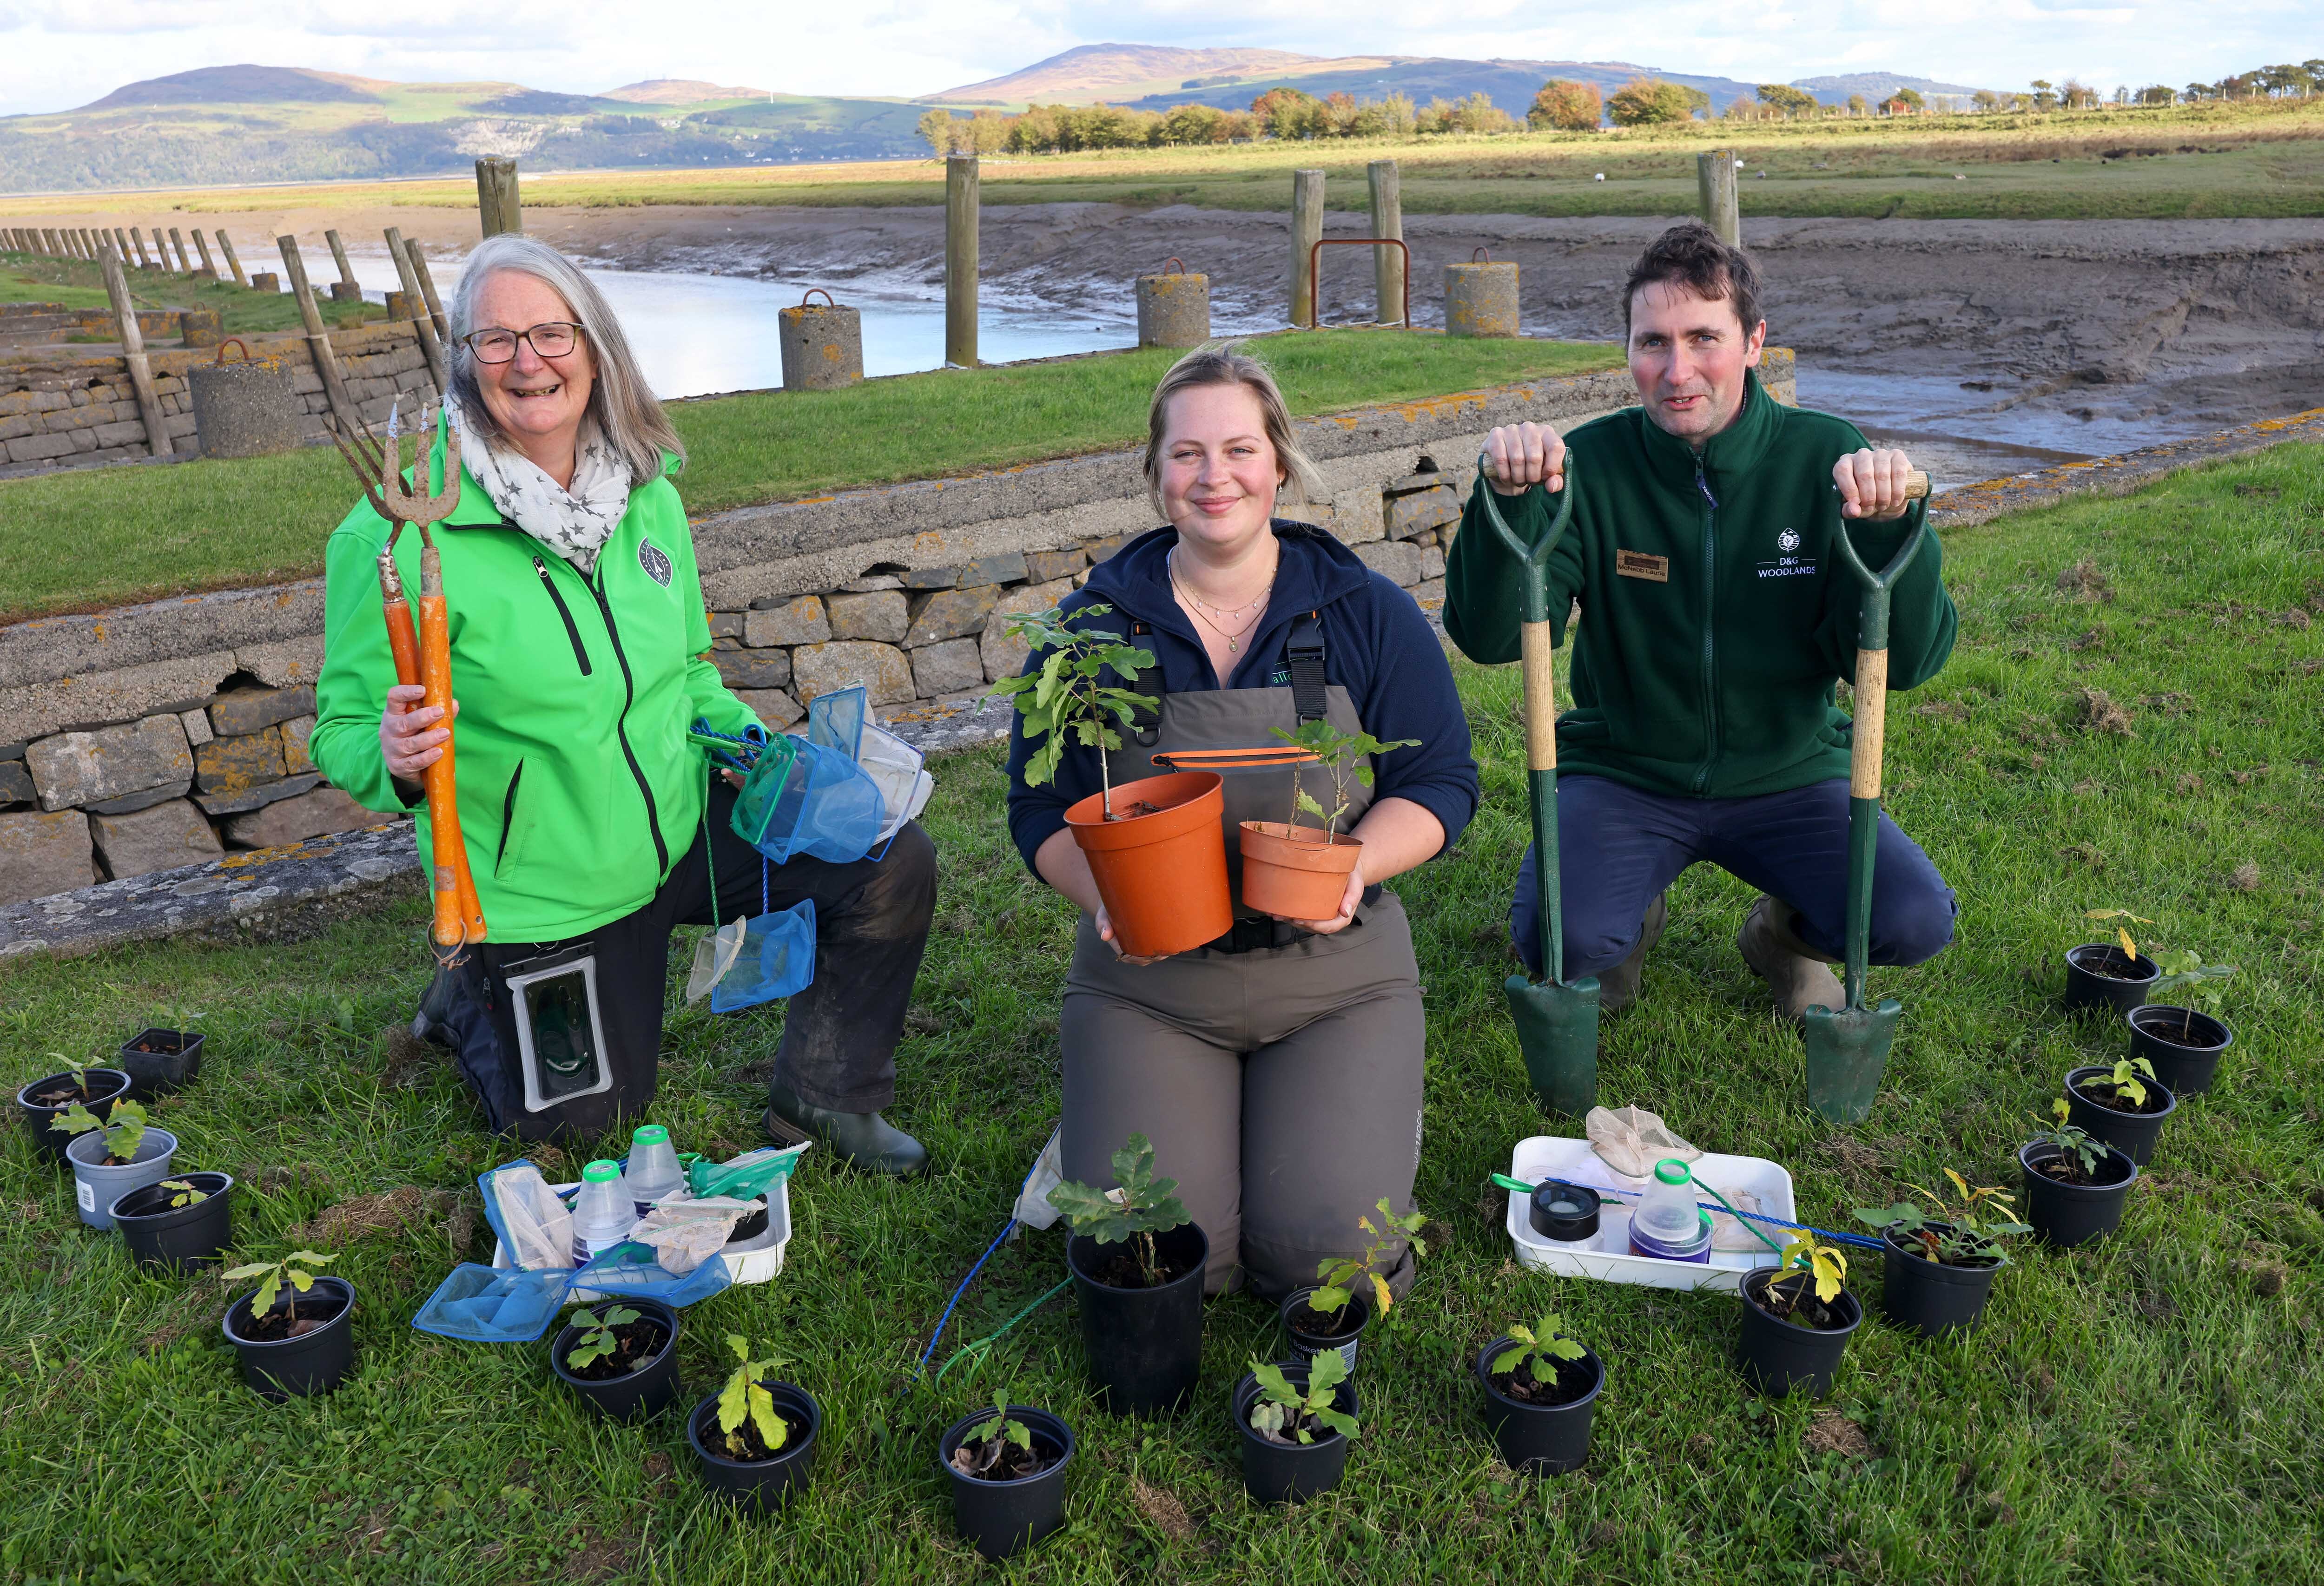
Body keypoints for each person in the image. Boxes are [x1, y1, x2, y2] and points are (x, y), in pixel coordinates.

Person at [311, 233, 937, 1171]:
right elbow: (345, 727)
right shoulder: (394, 537)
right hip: (544, 889)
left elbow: (685, 670)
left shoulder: (646, 498)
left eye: (551, 333)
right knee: (583, 1139)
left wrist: (759, 751)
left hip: (680, 832)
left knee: (886, 855)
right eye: (496, 340)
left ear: (595, 346)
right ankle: (468, 994)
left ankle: (824, 1097)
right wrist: (391, 753)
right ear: (463, 361)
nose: (528, 361)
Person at [1005, 347, 1480, 1298]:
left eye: (1237, 449)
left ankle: (1363, 1111)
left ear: (1278, 463)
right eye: (1186, 454)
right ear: (1155, 475)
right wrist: (1106, 894)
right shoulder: (1088, 634)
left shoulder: (1365, 613)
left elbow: (1440, 781)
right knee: (1156, 1256)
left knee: (1326, 1257)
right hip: (1150, 983)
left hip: (1333, 977)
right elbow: (1036, 807)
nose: (1212, 477)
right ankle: (1121, 1112)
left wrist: (1354, 863)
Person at [1445, 220, 1958, 1020]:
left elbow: (1915, 657)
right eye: (1653, 341)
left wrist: (1891, 529)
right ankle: (1627, 919)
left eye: (1703, 338)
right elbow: (1487, 639)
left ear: (1754, 342)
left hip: (1787, 773)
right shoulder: (1588, 469)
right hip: (1626, 772)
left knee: (1912, 921)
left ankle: (1782, 937)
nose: (1677, 371)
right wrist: (1505, 505)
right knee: (1562, 938)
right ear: (1627, 349)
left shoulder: (1825, 458)